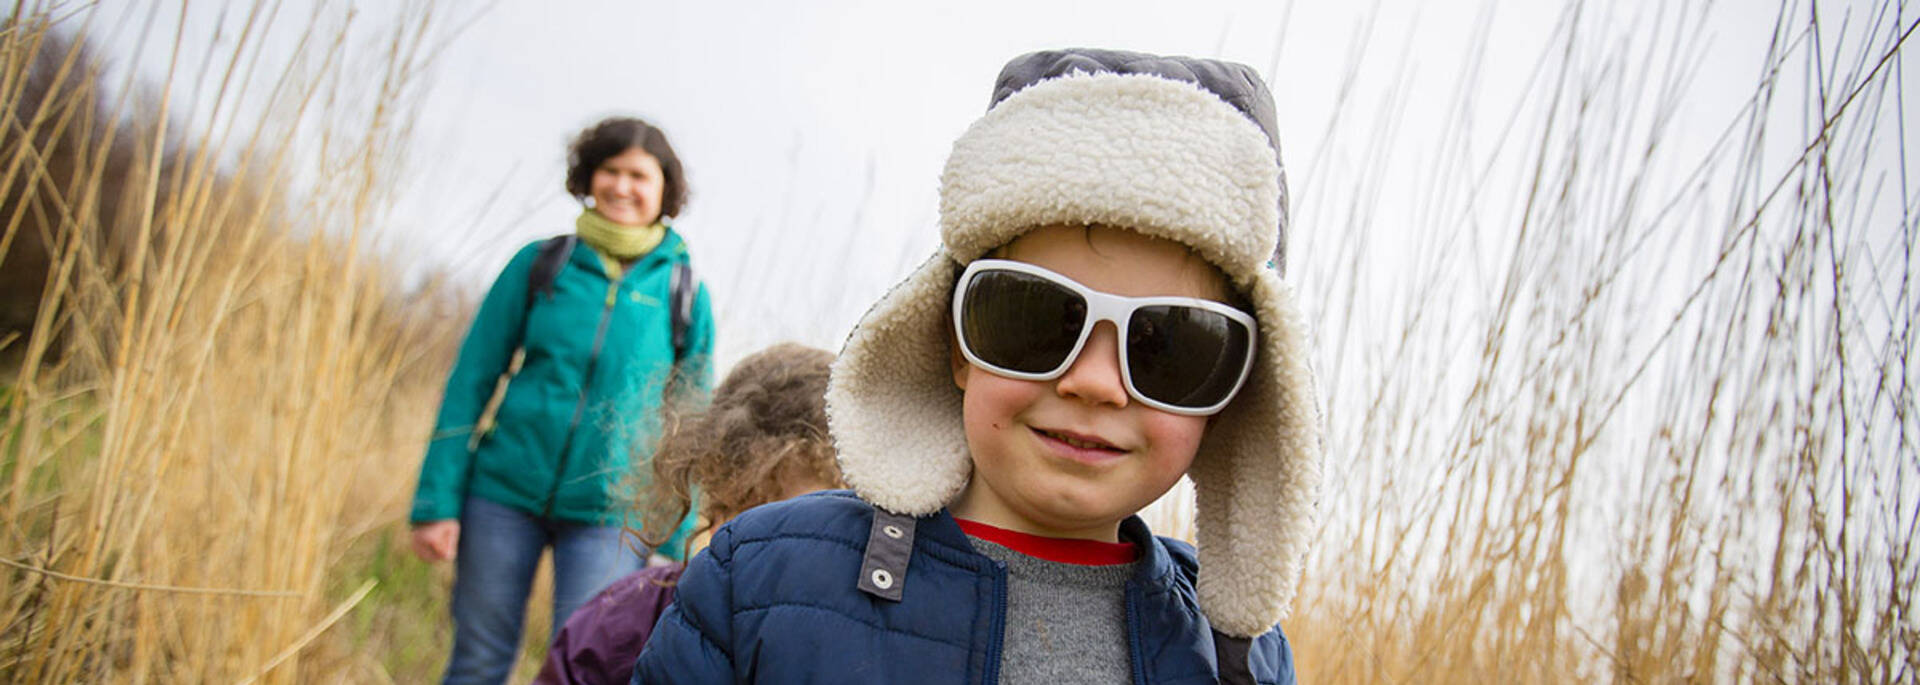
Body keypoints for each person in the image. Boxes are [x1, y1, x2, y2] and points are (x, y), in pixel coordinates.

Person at [633, 48, 1323, 684]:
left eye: (1170, 347)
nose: (1092, 380)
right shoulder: (759, 576)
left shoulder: (1243, 652)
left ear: (1235, 389)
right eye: (1033, 318)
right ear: (953, 340)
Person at [408, 115, 715, 684]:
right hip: (501, 498)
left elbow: (691, 426)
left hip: (610, 518)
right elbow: (471, 379)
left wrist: (677, 539)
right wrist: (437, 501)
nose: (622, 187)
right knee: (477, 660)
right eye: (610, 170)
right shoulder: (540, 264)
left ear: (664, 189)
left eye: (638, 176)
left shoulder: (685, 295)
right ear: (588, 176)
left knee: (584, 670)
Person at [533, 342, 843, 685]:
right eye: (746, 513)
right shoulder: (624, 622)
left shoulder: (870, 651)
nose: (765, 546)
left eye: (809, 527)